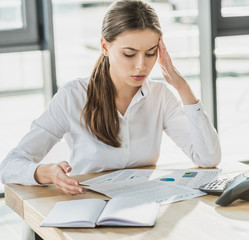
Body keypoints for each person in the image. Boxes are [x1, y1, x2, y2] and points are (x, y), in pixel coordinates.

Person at [0, 0, 221, 195]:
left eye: (151, 53)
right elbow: (10, 166)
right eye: (129, 53)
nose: (141, 65)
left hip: (143, 206)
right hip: (87, 205)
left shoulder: (161, 96)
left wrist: (181, 85)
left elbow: (208, 158)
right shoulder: (73, 96)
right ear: (105, 46)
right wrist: (43, 172)